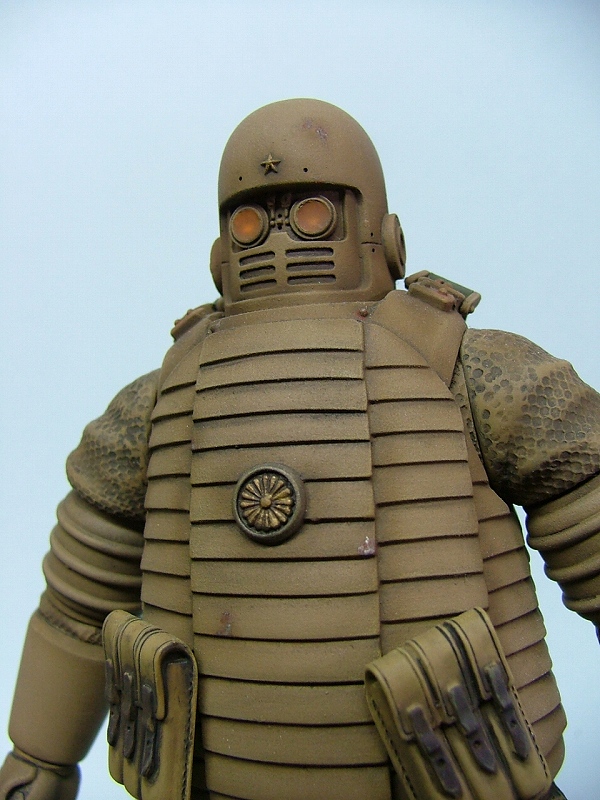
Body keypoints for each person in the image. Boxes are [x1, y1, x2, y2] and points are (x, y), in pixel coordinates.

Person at [1, 99, 598, 800]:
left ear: (380, 232)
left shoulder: (474, 372)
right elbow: (81, 594)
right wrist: (39, 757)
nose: (282, 239)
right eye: (252, 223)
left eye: (315, 215)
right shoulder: (158, 403)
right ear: (222, 249)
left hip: (463, 773)